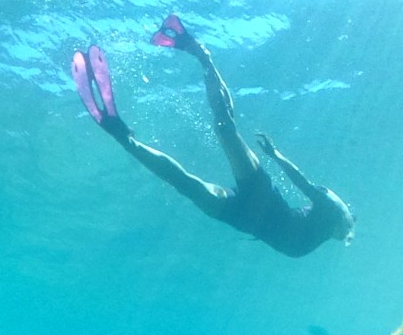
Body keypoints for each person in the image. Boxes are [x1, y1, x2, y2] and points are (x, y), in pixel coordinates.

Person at [72, 14, 354, 257]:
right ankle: (199, 53)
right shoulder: (333, 211)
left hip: (240, 217)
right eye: (347, 230)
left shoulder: (311, 243)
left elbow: (303, 196)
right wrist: (276, 156)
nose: (345, 237)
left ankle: (125, 138)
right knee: (224, 129)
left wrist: (278, 158)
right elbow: (304, 184)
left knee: (188, 184)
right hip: (262, 197)